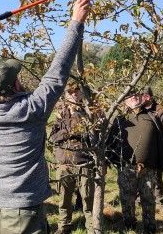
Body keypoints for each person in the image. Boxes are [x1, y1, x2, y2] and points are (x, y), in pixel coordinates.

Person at [0, 0, 91, 234]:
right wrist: (77, 23)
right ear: (16, 86)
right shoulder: (31, 109)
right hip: (25, 213)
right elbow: (58, 71)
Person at [106, 89, 163, 233]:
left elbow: (162, 141)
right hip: (126, 167)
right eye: (130, 95)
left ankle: (150, 227)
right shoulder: (120, 119)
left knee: (148, 198)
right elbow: (109, 142)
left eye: (137, 95)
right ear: (124, 99)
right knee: (127, 198)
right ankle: (130, 225)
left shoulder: (152, 117)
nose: (134, 97)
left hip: (148, 167)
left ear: (143, 97)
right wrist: (107, 162)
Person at [49, 84, 94, 234]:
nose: (74, 94)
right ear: (66, 95)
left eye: (76, 91)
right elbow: (53, 137)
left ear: (81, 93)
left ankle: (92, 227)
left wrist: (79, 119)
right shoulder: (60, 114)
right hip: (64, 163)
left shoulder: (89, 112)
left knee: (88, 199)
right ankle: (64, 227)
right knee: (64, 199)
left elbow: (93, 136)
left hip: (84, 161)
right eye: (70, 92)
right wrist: (68, 133)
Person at [140, 86, 163, 216]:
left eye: (140, 96)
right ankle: (139, 200)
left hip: (156, 149)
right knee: (139, 175)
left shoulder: (160, 110)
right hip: (141, 148)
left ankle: (160, 203)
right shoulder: (137, 109)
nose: (137, 99)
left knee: (156, 178)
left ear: (147, 97)